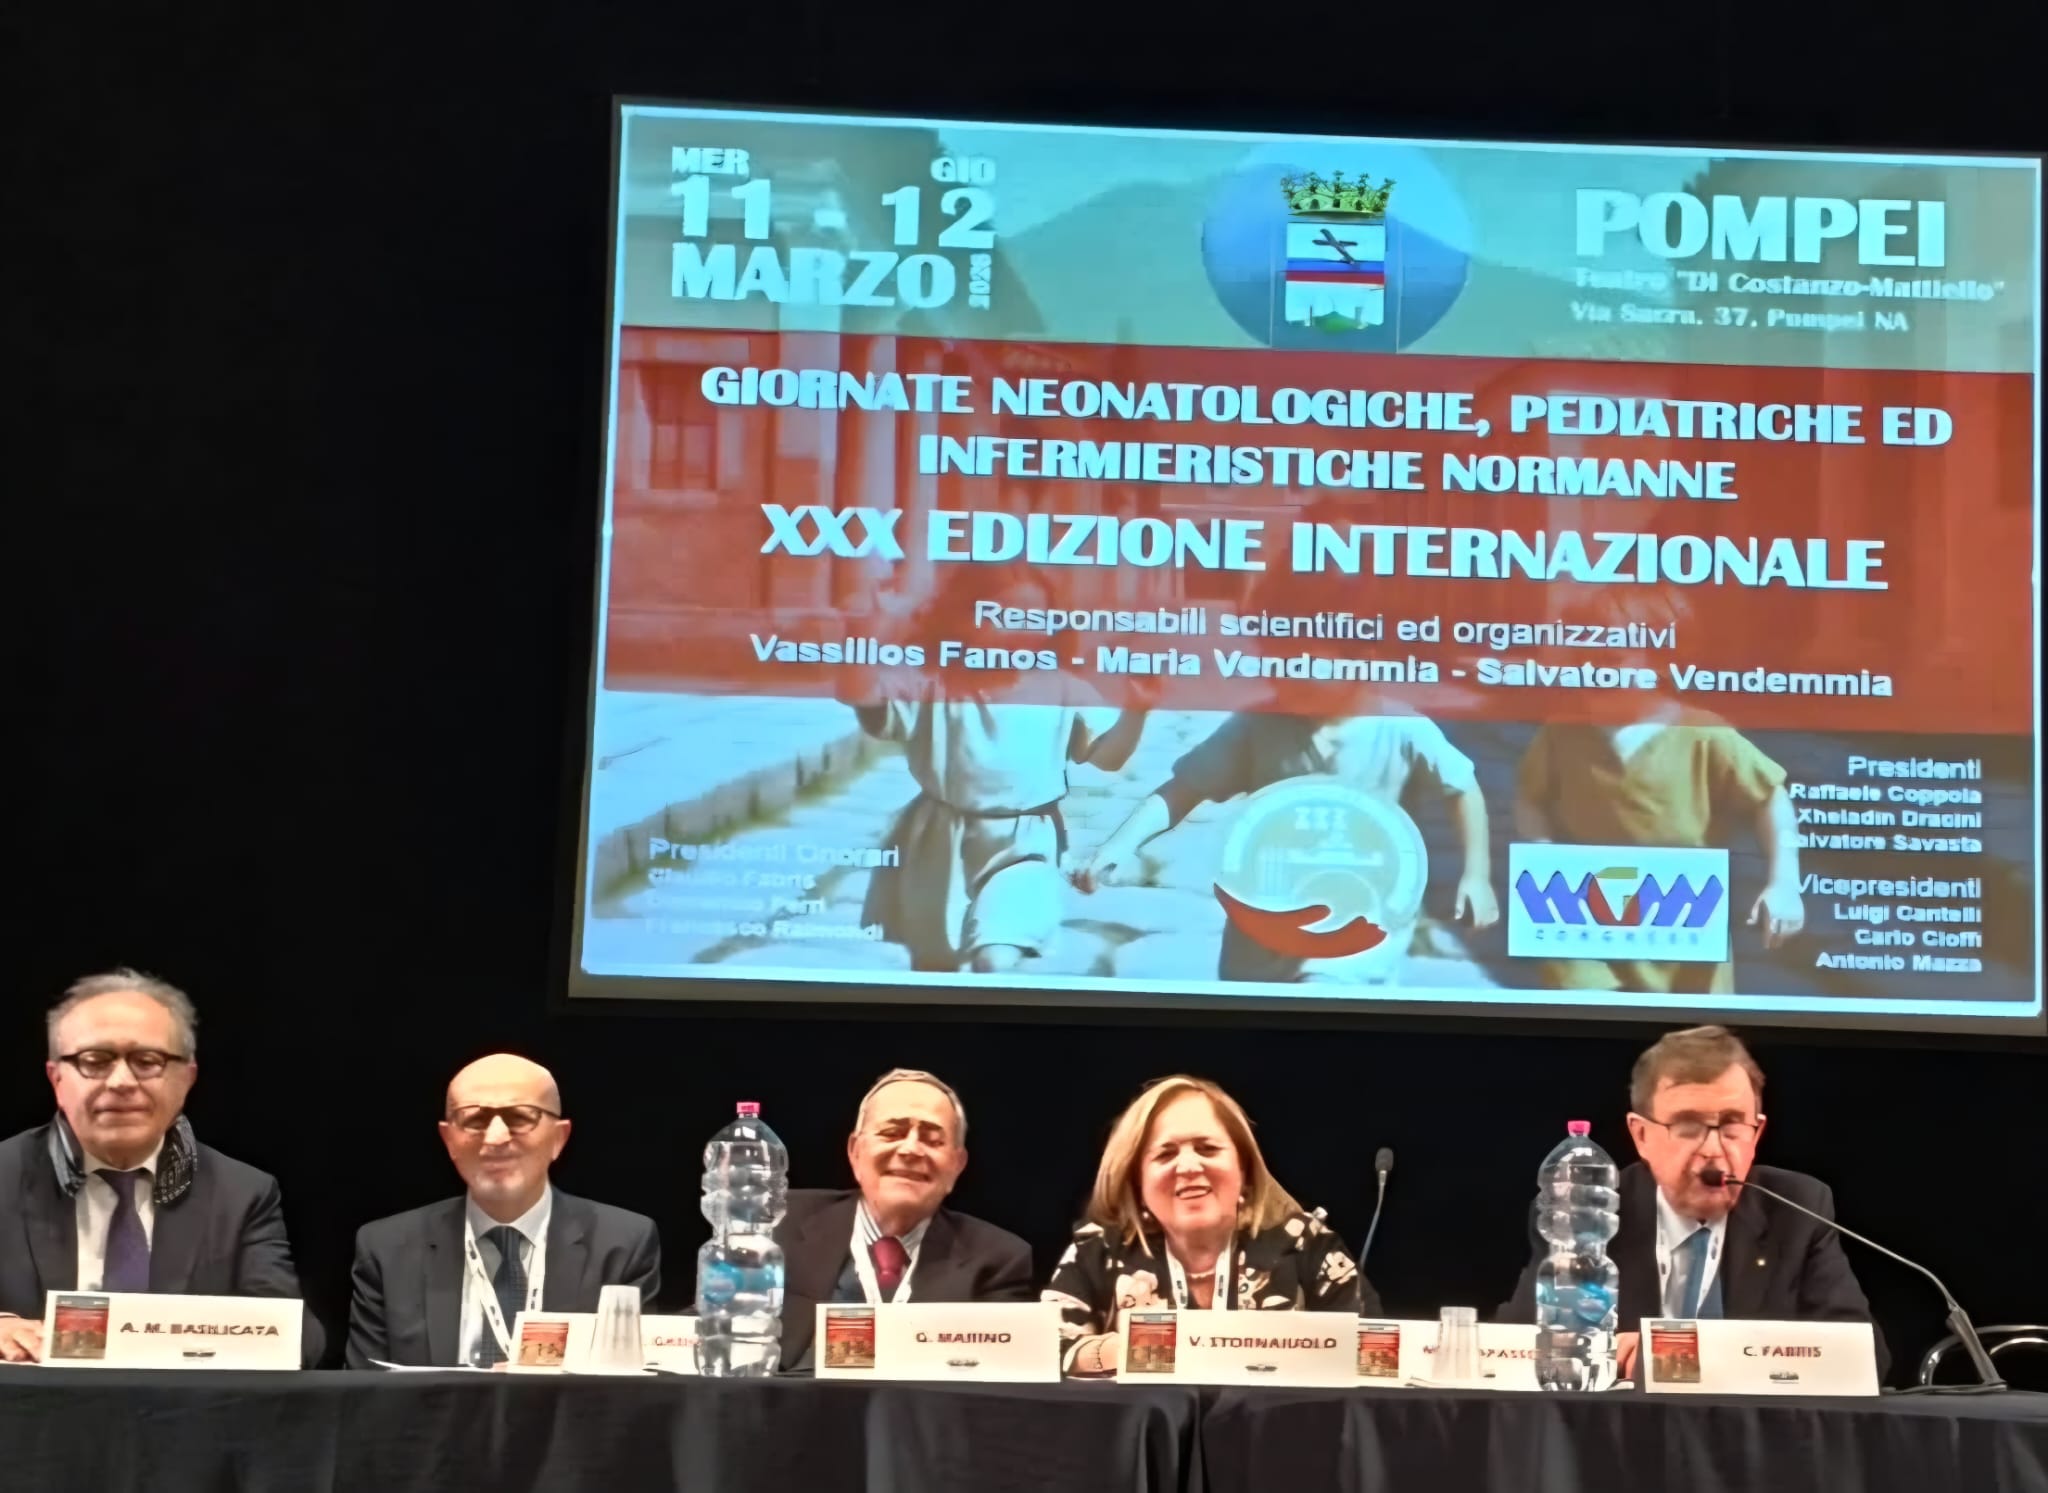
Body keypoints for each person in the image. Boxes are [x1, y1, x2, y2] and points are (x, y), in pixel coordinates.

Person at [1499, 1025, 1885, 1377]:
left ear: (1756, 1133)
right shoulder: (1586, 1213)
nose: (1713, 1150)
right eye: (1688, 1127)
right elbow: (1513, 1352)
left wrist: (1674, 1354)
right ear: (1641, 1136)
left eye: (1732, 1126)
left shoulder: (1796, 1209)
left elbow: (1864, 1359)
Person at [0, 969, 323, 1365]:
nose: (120, 1082)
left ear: (187, 1078)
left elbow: (295, 1340)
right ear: (56, 1078)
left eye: (147, 1061)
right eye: (95, 1061)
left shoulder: (240, 1194)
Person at [848, 566, 1149, 973]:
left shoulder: (1061, 686)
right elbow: (862, 696)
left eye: (1035, 619)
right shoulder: (932, 681)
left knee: (997, 955)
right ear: (961, 616)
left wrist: (1137, 710)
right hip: (940, 839)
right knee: (934, 963)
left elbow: (1108, 757)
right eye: (1004, 615)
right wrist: (870, 628)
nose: (1022, 630)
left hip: (1026, 843)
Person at [1072, 703, 1498, 982]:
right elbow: (1184, 789)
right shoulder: (1259, 725)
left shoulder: (1401, 727)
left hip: (1358, 923)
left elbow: (1461, 787)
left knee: (1325, 998)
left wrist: (1476, 876)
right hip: (1266, 921)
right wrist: (1120, 844)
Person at [1045, 1075, 1377, 1376]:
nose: (1189, 1166)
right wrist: (1121, 1351)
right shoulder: (1099, 1248)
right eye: (1165, 1155)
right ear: (1137, 1182)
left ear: (1243, 1169)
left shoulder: (1305, 1242)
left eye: (1208, 1149)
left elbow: (1373, 1350)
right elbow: (1040, 1349)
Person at [345, 1053, 661, 1368]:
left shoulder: (620, 1246)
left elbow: (631, 1388)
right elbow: (365, 1390)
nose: (496, 1138)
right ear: (449, 1139)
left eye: (520, 1118)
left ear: (559, 1138)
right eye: (475, 1120)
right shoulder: (388, 1249)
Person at [777, 1069, 1035, 1368]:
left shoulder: (997, 1260)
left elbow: (995, 1373)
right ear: (855, 1152)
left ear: (957, 1165)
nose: (911, 1149)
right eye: (891, 1133)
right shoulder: (776, 1222)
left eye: (933, 1140)